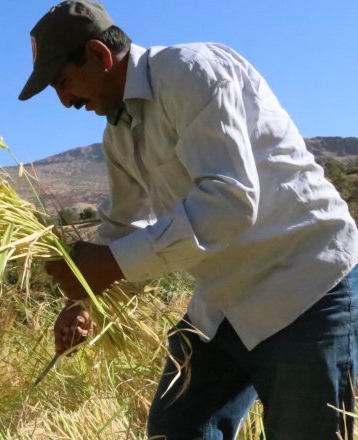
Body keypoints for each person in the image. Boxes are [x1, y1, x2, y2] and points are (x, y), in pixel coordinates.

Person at [18, 1, 358, 438]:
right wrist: (83, 300)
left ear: (100, 56)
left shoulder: (190, 71)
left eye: (63, 82)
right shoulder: (118, 135)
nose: (65, 101)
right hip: (222, 302)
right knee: (176, 429)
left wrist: (112, 265)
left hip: (304, 285)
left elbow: (230, 201)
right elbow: (122, 227)